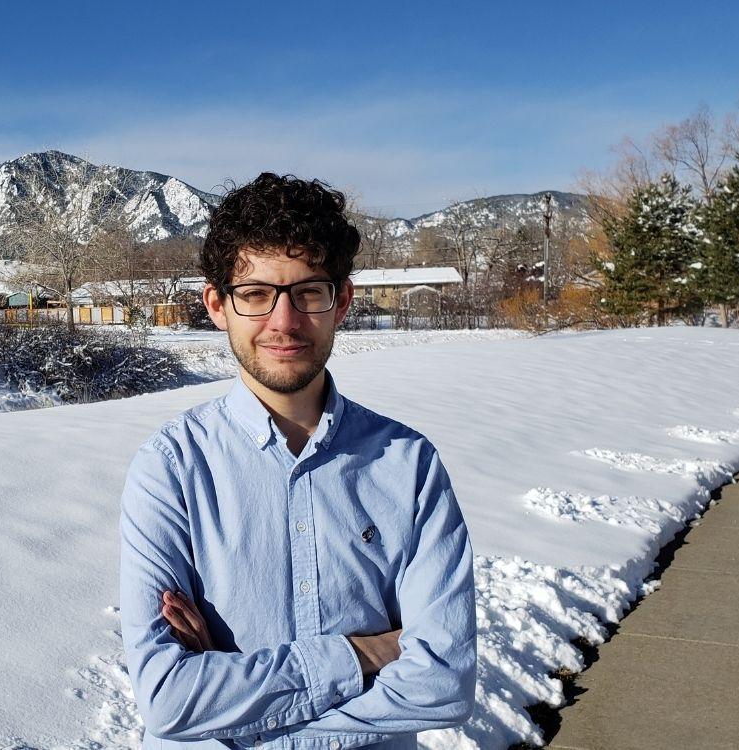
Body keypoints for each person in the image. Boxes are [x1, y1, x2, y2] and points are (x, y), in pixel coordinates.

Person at [118, 173, 476, 749]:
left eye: (308, 292)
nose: (283, 321)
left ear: (342, 302)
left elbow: (442, 682)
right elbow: (169, 700)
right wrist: (370, 651)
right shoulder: (172, 466)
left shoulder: (408, 465)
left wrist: (242, 697)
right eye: (256, 294)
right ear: (218, 305)